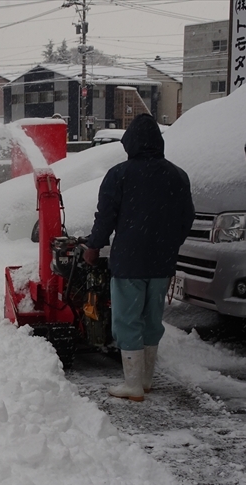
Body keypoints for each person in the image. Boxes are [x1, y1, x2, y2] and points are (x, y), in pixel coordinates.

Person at [84, 113, 195, 402]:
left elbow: (105, 217)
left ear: (130, 143)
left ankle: (132, 384)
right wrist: (170, 246)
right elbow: (187, 219)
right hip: (162, 263)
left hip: (129, 262)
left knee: (127, 319)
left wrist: (93, 247)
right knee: (152, 319)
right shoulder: (177, 175)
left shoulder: (119, 174)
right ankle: (145, 380)